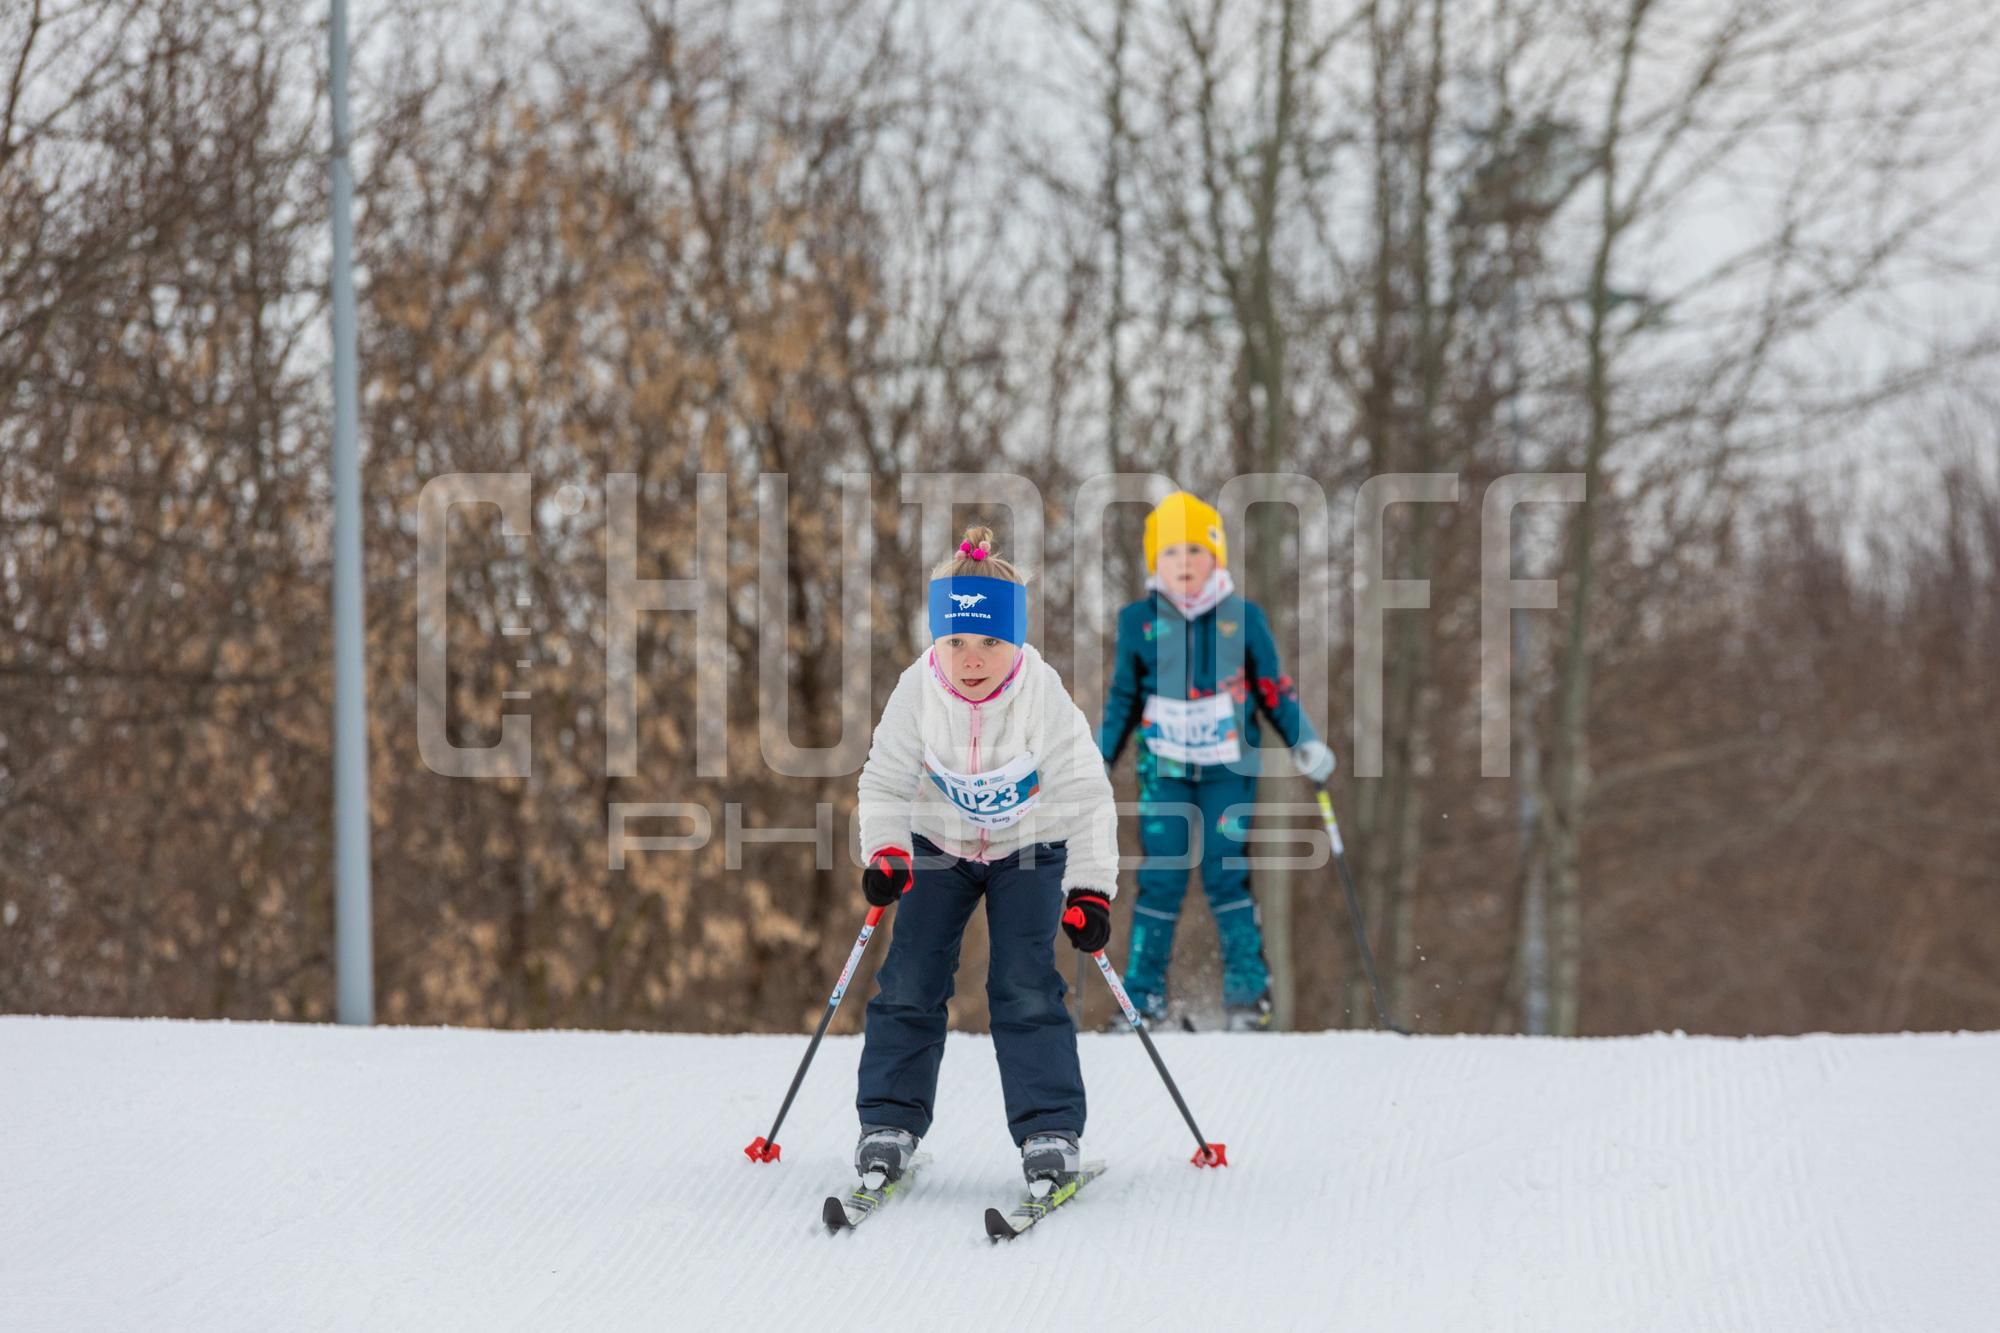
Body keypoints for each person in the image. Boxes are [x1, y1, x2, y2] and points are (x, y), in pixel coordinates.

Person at [851, 526, 1120, 1190]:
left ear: (1017, 641)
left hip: (1028, 846)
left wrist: (1089, 889)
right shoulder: (919, 689)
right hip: (939, 844)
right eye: (956, 642)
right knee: (910, 977)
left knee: (1025, 983)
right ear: (937, 641)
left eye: (990, 643)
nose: (971, 659)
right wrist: (885, 852)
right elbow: (883, 780)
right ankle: (888, 1122)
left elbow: (1085, 792)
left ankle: (1049, 1130)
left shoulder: (1042, 694)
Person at [1099, 491, 1335, 1031]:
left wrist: (1305, 740)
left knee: (1226, 871)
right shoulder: (1139, 621)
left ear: (1216, 557)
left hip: (1229, 768)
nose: (1184, 564)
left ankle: (1248, 1000)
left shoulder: (1242, 618)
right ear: (1155, 562)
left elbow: (1273, 689)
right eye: (1171, 553)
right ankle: (1142, 1001)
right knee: (1161, 877)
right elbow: (1122, 699)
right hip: (1164, 770)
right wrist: (1099, 755)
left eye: (1194, 551)